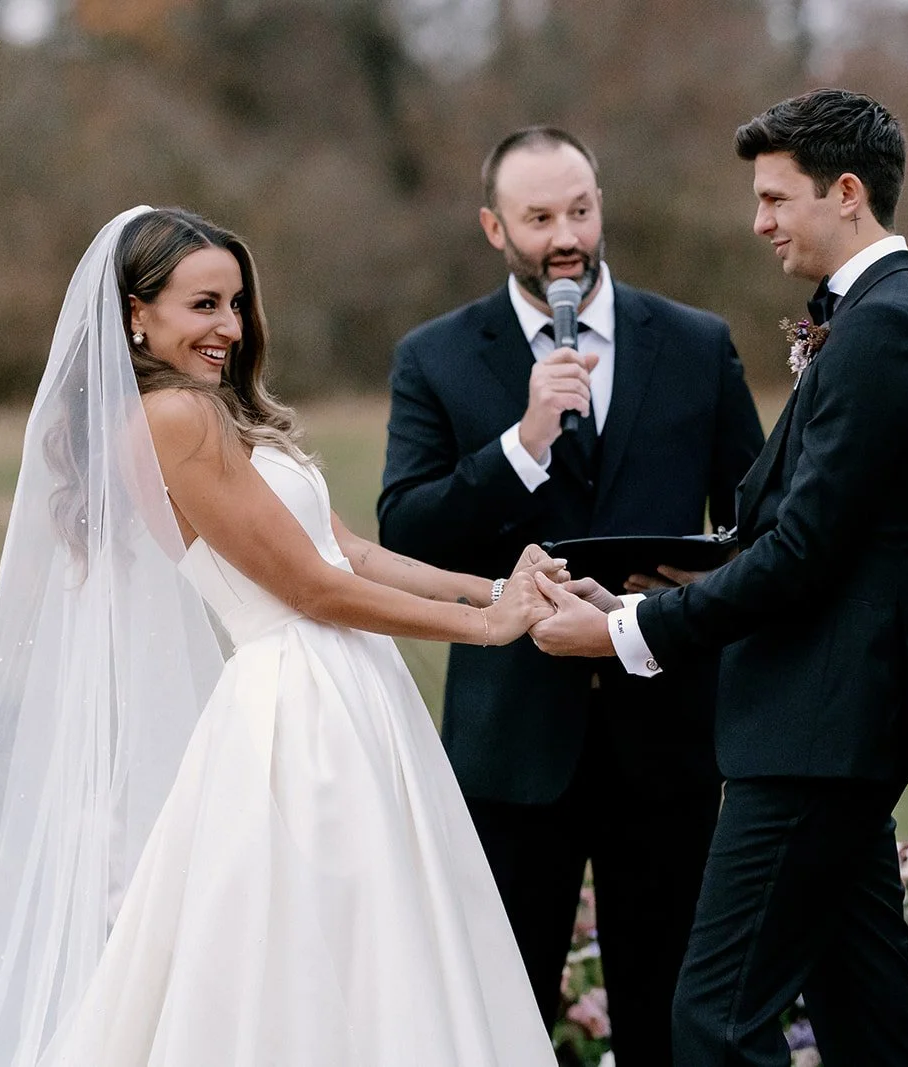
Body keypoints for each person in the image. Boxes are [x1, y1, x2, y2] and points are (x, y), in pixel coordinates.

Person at [0, 206, 561, 1067]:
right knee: (333, 937)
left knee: (377, 929)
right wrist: (485, 628)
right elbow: (310, 588)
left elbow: (343, 549)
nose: (229, 329)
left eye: (235, 304)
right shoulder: (173, 420)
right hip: (298, 704)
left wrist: (498, 586)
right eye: (203, 305)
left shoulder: (213, 412)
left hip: (342, 685)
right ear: (136, 313)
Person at [531, 89, 908, 1067]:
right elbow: (800, 530)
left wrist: (623, 634)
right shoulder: (870, 320)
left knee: (715, 1021)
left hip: (818, 725)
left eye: (775, 197)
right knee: (867, 1014)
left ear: (845, 193)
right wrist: (644, 595)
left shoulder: (888, 328)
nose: (759, 220)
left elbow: (805, 554)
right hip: (829, 721)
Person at [376, 127, 765, 1062]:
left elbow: (756, 521)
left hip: (666, 733)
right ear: (492, 226)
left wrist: (678, 578)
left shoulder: (695, 342)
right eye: (540, 216)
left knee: (667, 1012)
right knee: (496, 1013)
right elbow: (403, 530)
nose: (566, 235)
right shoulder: (434, 357)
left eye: (580, 211)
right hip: (513, 743)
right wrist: (523, 444)